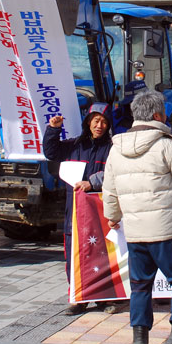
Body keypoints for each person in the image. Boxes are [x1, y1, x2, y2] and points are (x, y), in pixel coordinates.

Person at [102, 90, 172, 344]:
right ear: (158, 115)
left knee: (140, 285)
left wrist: (113, 216)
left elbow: (109, 189)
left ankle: (139, 342)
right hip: (167, 229)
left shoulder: (117, 148)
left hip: (135, 231)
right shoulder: (165, 143)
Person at [43, 103, 121, 316]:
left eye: (104, 122)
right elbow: (51, 152)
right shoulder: (75, 145)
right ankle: (78, 298)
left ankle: (104, 297)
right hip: (75, 212)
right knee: (74, 253)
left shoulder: (113, 148)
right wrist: (53, 129)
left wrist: (92, 183)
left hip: (100, 211)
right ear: (88, 122)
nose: (99, 125)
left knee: (102, 253)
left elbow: (116, 172)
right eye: (96, 120)